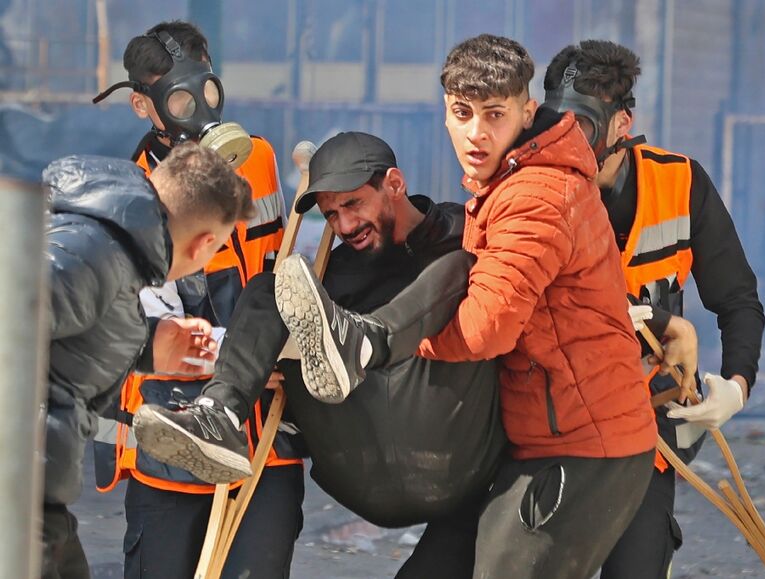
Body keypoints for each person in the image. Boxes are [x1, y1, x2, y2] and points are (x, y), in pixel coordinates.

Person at [274, 34, 660, 578]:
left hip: (584, 447)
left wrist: (404, 356)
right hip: (531, 441)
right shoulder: (506, 182)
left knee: (457, 270)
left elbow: (485, 332)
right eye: (463, 113)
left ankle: (367, 342)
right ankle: (362, 340)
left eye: (494, 115)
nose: (476, 133)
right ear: (446, 115)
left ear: (527, 113)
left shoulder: (536, 195)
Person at [133, 131, 506, 578]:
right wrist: (269, 360)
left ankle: (363, 342)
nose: (344, 226)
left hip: (448, 449)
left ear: (394, 183)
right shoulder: (337, 271)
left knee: (466, 266)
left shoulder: (464, 232)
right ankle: (219, 415)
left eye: (352, 204)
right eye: (332, 214)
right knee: (270, 290)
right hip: (363, 460)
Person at [541, 40, 765, 578]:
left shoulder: (681, 184)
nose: (569, 145)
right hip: (548, 429)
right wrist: (666, 323)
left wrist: (736, 386)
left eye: (584, 126)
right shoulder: (534, 191)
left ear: (622, 122)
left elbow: (738, 300)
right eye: (557, 126)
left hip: (645, 434)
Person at [90, 21, 303, 579]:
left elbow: (279, 275)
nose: (197, 109)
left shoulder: (256, 160)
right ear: (143, 104)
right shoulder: (128, 197)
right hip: (171, 443)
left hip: (264, 442)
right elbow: (153, 336)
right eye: (178, 97)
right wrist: (248, 362)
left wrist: (282, 354)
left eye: (205, 91)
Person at [42, 142, 252, 579]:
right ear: (205, 244)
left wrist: (150, 346)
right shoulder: (93, 249)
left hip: (35, 497)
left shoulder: (111, 245)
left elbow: (61, 336)